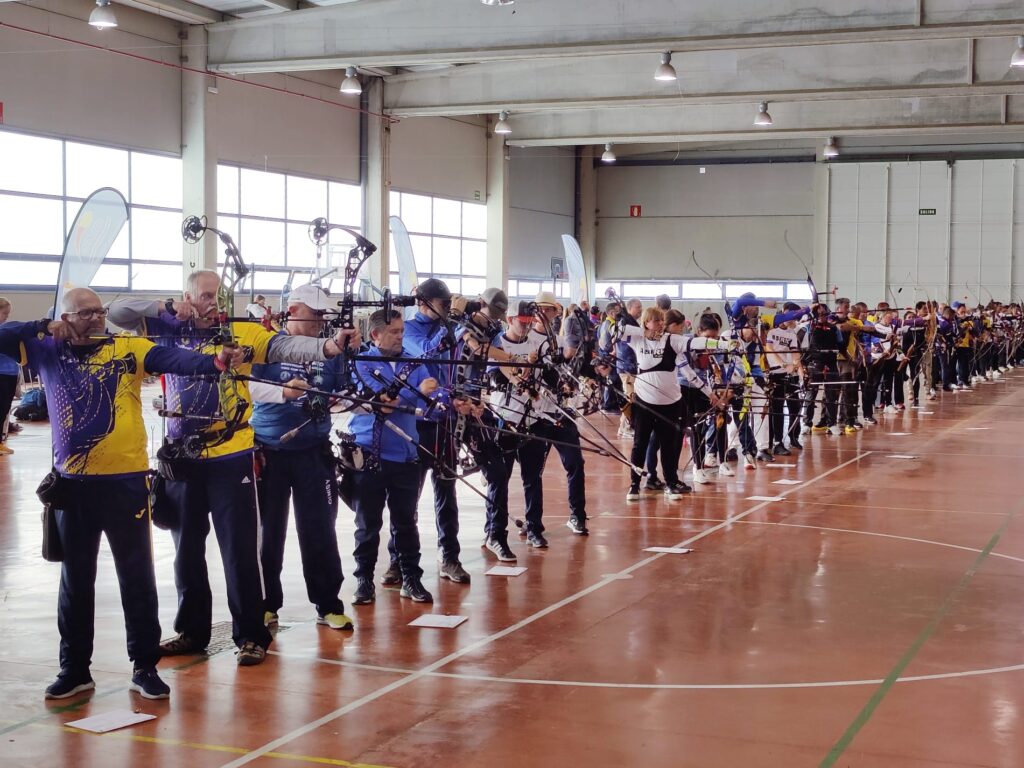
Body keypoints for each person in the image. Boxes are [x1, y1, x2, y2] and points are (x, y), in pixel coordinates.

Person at [0, 287, 243, 700]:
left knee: (137, 577)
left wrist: (214, 362)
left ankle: (144, 666)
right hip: (72, 486)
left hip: (126, 482)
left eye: (100, 312)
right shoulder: (44, 348)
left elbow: (172, 359)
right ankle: (74, 669)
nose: (97, 319)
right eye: (86, 313)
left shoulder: (126, 347)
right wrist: (41, 326)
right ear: (65, 317)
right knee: (75, 581)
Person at [107, 271, 359, 666]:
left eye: (218, 297)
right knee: (185, 552)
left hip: (231, 455)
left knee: (240, 551)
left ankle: (251, 635)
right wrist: (165, 308)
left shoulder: (241, 331)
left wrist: (328, 346)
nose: (213, 304)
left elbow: (286, 346)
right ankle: (191, 631)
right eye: (204, 296)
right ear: (186, 296)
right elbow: (115, 311)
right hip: (182, 457)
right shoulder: (161, 326)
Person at [248, 284, 353, 632]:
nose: (320, 321)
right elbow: (246, 385)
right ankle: (265, 605)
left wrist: (337, 400)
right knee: (268, 531)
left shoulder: (331, 351)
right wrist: (284, 392)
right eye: (315, 313)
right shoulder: (267, 345)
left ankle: (328, 603)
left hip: (313, 453)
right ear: (293, 310)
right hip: (270, 451)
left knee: (319, 529)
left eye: (324, 315)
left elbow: (342, 392)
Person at [350, 309, 438, 605]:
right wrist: (415, 396)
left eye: (402, 330)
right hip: (370, 453)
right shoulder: (363, 362)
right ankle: (364, 579)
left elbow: (431, 392)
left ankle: (411, 577)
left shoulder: (414, 362)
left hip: (405, 454)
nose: (401, 336)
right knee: (368, 523)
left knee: (405, 521)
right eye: (394, 332)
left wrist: (423, 396)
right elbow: (385, 402)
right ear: (375, 335)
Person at [0, 297, 17, 455]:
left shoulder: (7, 330)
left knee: (5, 409)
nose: (7, 316)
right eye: (4, 313)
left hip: (11, 373)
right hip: (2, 374)